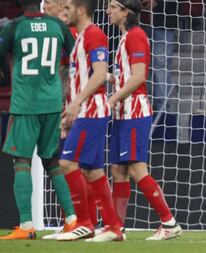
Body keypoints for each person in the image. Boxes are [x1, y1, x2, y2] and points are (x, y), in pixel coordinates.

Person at [0, 0, 77, 240]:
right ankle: (72, 220)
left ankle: (26, 224)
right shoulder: (57, 26)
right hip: (53, 102)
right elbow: (74, 53)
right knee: (51, 160)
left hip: (26, 103)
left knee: (21, 161)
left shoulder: (15, 26)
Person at [107, 0, 182, 241]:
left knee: (138, 169)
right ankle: (116, 228)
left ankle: (169, 222)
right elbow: (126, 75)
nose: (108, 11)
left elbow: (139, 76)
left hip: (134, 112)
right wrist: (103, 76)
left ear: (125, 12)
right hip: (123, 112)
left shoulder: (136, 35)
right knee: (118, 170)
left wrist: (111, 99)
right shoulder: (126, 37)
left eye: (112, 7)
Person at [55, 0, 124, 242]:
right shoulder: (82, 37)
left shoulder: (94, 34)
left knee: (67, 163)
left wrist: (76, 103)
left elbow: (100, 72)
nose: (64, 12)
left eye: (67, 8)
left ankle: (84, 222)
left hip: (91, 111)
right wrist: (70, 107)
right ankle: (113, 227)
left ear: (81, 9)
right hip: (82, 110)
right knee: (92, 171)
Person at [41, 0, 98, 240]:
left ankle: (86, 221)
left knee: (75, 165)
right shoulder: (60, 30)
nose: (47, 8)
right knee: (64, 162)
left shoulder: (74, 32)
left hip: (75, 107)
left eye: (54, 4)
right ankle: (74, 220)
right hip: (63, 104)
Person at [140, 0, 177, 112]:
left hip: (163, 22)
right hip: (141, 22)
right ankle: (145, 104)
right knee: (143, 63)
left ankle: (162, 108)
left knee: (161, 64)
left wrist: (158, 2)